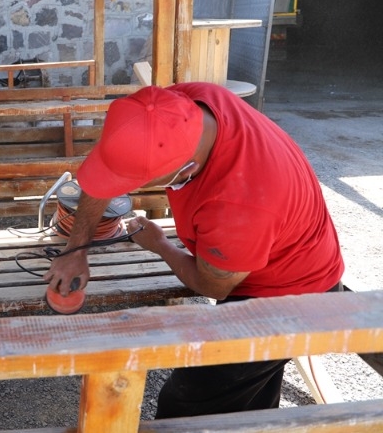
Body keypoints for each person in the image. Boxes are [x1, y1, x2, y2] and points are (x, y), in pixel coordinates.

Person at [43, 82, 344, 418]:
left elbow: (212, 285)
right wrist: (76, 248)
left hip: (291, 296)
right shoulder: (179, 106)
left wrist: (160, 245)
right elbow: (106, 173)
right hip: (263, 250)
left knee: (191, 402)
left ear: (186, 170)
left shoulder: (238, 205)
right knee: (250, 393)